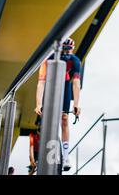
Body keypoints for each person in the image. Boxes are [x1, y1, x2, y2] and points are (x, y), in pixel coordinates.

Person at [34, 37, 82, 171]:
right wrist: (38, 103)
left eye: (69, 50)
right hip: (50, 84)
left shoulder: (75, 61)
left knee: (64, 119)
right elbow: (41, 83)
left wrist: (76, 104)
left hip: (65, 85)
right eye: (65, 50)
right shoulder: (47, 60)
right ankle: (48, 154)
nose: (67, 53)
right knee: (49, 121)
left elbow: (76, 83)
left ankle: (66, 156)